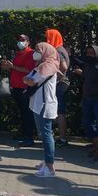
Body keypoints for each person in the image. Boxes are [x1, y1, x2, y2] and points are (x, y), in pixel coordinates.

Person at [24, 42, 60, 177]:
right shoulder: (41, 66)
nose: (35, 52)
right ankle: (47, 161)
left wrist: (28, 79)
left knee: (46, 134)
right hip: (38, 104)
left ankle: (50, 167)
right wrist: (28, 79)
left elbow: (30, 81)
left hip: (45, 105)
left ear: (46, 52)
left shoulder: (48, 67)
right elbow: (28, 78)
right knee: (43, 134)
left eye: (38, 50)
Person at [1, 34, 37, 147]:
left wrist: (13, 67)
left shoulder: (30, 53)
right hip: (16, 87)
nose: (20, 42)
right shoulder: (18, 54)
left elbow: (29, 70)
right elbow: (15, 68)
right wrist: (8, 67)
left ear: (28, 42)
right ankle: (24, 134)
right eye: (19, 40)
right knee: (22, 112)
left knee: (27, 113)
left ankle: (29, 137)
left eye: (23, 40)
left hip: (25, 87)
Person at [45, 29, 71, 146]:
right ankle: (61, 138)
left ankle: (62, 139)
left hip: (60, 84)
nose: (47, 40)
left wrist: (54, 76)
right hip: (62, 83)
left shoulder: (58, 50)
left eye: (48, 37)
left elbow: (64, 67)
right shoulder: (61, 49)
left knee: (59, 112)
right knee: (58, 111)